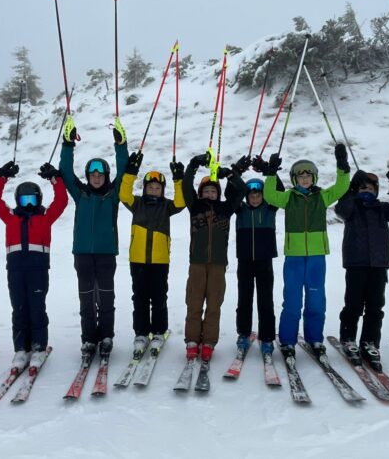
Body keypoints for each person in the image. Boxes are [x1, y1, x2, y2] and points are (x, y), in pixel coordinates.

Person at [257, 144, 350, 359]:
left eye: (308, 176)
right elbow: (270, 196)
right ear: (294, 179)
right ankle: (288, 340)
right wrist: (270, 174)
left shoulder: (323, 197)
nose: (305, 180)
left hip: (317, 256)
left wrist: (342, 166)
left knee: (316, 298)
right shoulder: (288, 197)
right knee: (292, 300)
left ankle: (314, 338)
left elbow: (341, 187)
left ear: (314, 178)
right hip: (295, 257)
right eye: (300, 177)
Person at [0, 160, 69, 370]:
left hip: (38, 270)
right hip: (15, 270)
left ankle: (38, 347)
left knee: (37, 308)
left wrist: (55, 179)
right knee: (19, 309)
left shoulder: (45, 217)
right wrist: (1, 177)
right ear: (18, 201)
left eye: (33, 200)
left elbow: (61, 201)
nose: (29, 205)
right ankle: (21, 349)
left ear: (39, 200)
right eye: (25, 200)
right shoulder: (10, 217)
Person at [59, 116, 128, 360]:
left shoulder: (113, 195)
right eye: (92, 173)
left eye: (101, 173)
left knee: (106, 296)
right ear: (88, 176)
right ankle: (89, 338)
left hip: (106, 253)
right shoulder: (81, 194)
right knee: (86, 299)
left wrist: (121, 144)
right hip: (83, 255)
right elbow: (65, 172)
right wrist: (68, 144)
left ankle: (106, 336)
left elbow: (125, 170)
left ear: (106, 176)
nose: (96, 177)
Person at [334, 168, 389, 371]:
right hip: (356, 264)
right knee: (353, 305)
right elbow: (341, 209)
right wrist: (350, 190)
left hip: (379, 264)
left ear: (377, 191)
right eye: (361, 187)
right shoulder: (352, 209)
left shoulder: (382, 209)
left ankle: (370, 342)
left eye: (370, 187)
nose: (365, 190)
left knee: (375, 307)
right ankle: (348, 338)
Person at [119, 152, 186, 357]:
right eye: (151, 187)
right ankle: (141, 333)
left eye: (158, 188)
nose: (154, 190)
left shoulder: (167, 206)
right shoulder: (136, 203)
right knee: (139, 297)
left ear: (162, 190)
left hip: (159, 260)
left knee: (158, 297)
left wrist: (178, 179)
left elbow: (182, 202)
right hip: (137, 260)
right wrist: (131, 172)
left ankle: (158, 332)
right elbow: (123, 194)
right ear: (145, 188)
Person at [181, 153, 246, 362]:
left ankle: (209, 341)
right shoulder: (194, 207)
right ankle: (192, 341)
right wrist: (193, 165)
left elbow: (241, 191)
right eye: (206, 190)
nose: (210, 194)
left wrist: (232, 175)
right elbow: (185, 185)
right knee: (194, 303)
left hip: (218, 265)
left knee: (214, 304)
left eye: (213, 191)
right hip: (197, 265)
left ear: (218, 194)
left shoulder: (225, 210)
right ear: (201, 193)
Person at [231, 173, 282, 356]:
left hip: (264, 262)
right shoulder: (240, 209)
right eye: (251, 196)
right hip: (244, 262)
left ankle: (267, 337)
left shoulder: (270, 208)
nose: (254, 199)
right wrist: (234, 174)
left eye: (258, 195)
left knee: (265, 300)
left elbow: (280, 191)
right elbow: (232, 194)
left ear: (264, 196)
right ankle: (243, 334)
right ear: (246, 197)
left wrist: (272, 172)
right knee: (244, 299)